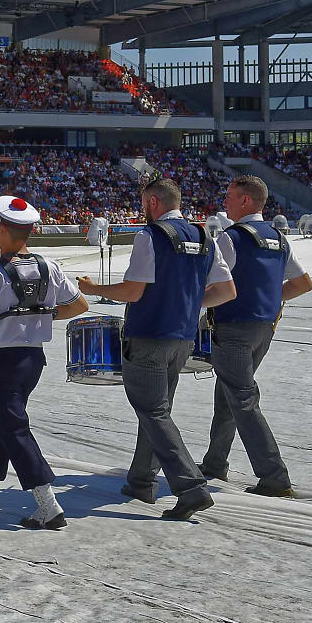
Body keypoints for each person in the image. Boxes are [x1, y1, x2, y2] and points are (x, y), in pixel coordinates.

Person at [78, 177, 236, 521]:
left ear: (152, 203)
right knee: (156, 410)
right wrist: (191, 305)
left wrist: (93, 288)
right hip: (182, 338)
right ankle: (141, 481)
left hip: (148, 335)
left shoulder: (149, 236)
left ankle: (191, 488)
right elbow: (226, 292)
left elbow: (134, 291)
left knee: (153, 412)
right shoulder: (206, 237)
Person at [0, 196, 87, 529]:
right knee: (5, 423)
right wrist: (45, 314)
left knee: (13, 427)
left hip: (0, 359)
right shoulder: (48, 266)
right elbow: (78, 304)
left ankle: (47, 504)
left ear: (3, 230)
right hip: (32, 359)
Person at [199, 175, 310, 496]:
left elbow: (215, 287)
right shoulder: (278, 238)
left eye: (230, 197)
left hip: (233, 328)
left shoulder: (229, 239)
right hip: (265, 329)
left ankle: (274, 476)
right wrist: (272, 299)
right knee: (229, 393)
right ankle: (215, 462)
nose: (225, 202)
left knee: (243, 399)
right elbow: (303, 284)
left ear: (246, 201)